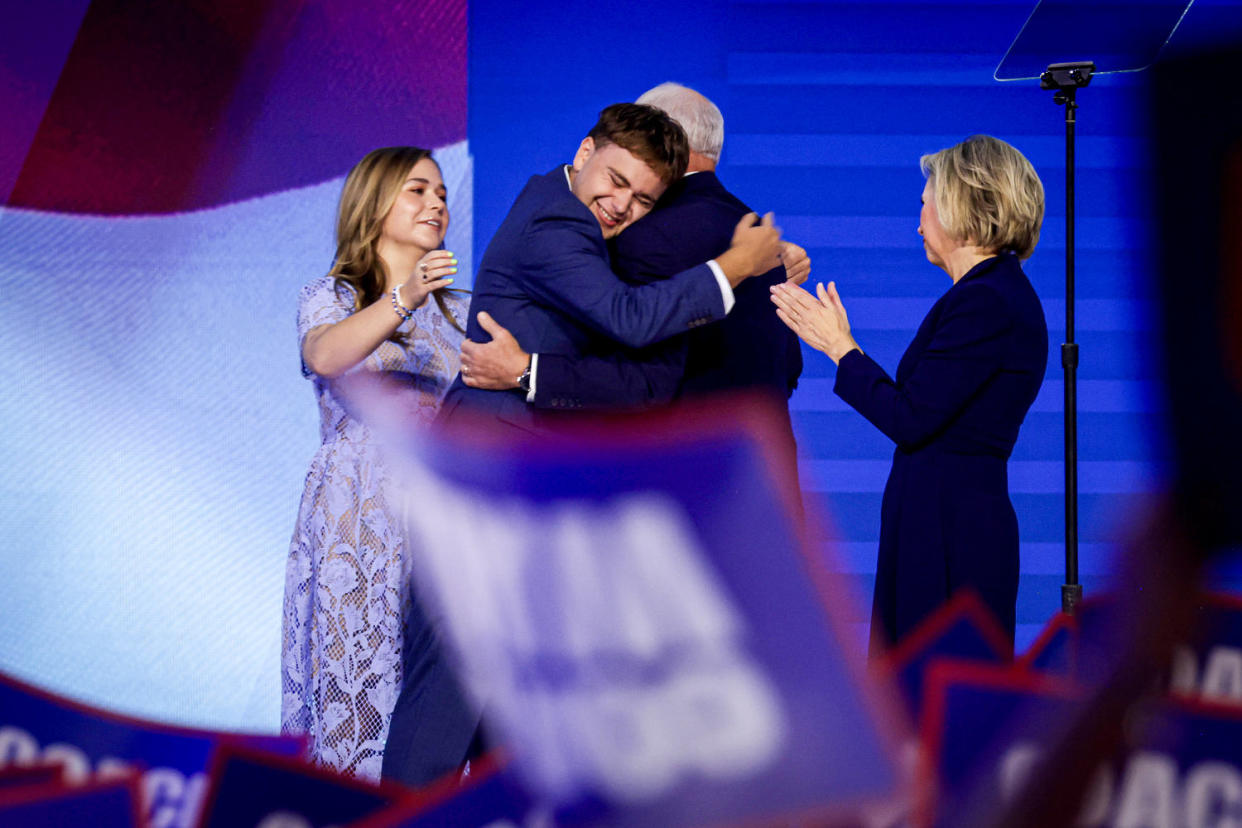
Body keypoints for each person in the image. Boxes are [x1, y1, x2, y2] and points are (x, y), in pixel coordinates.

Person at [771, 135, 1048, 653]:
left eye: (925, 205)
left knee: (938, 699)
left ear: (962, 203)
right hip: (940, 520)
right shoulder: (987, 294)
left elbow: (912, 416)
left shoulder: (986, 300)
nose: (918, 222)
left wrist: (840, 348)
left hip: (948, 533)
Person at [457, 84, 805, 489]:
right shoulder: (754, 239)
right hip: (501, 455)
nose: (622, 206)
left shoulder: (644, 233)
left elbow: (647, 380)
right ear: (585, 152)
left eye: (642, 197)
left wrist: (525, 371)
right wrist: (737, 268)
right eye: (616, 179)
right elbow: (786, 370)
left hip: (672, 484)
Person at [281, 146, 467, 780]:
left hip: (440, 507)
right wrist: (403, 298)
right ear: (374, 202)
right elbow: (328, 356)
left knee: (434, 683)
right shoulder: (330, 295)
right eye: (417, 190)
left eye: (441, 193)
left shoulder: (461, 312)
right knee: (358, 680)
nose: (436, 203)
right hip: (357, 512)